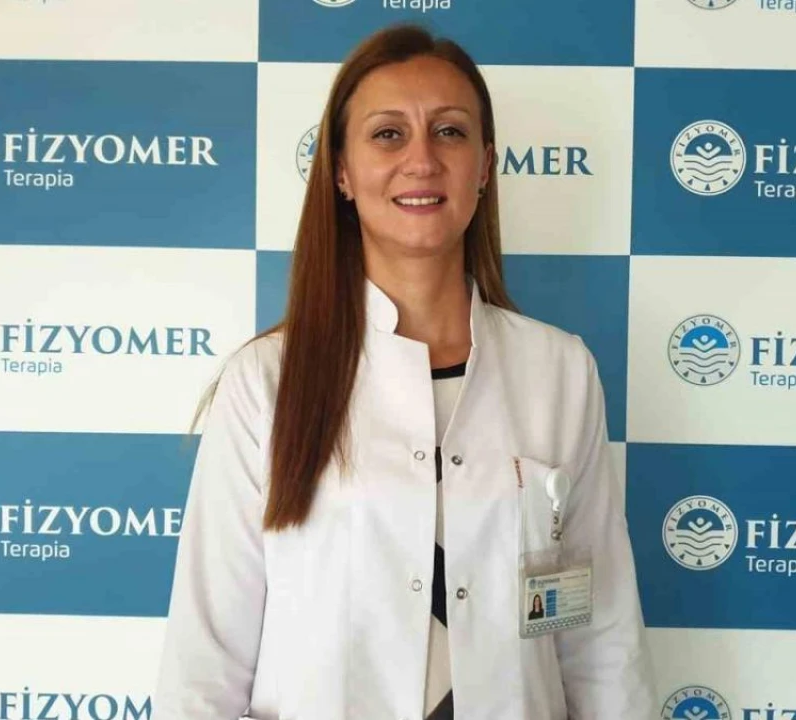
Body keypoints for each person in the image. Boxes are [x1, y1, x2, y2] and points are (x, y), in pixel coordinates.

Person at [152, 22, 655, 720]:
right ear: (341, 172)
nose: (421, 160)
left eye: (449, 132)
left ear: (484, 166)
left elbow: (598, 638)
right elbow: (204, 664)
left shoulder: (559, 371)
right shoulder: (266, 382)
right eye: (388, 134)